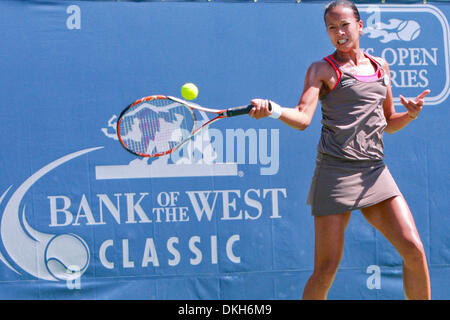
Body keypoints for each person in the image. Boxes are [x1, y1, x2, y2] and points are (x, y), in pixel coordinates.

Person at [249, 0, 431, 300]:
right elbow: (303, 118)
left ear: (360, 26)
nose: (339, 33)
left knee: (414, 249)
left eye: (344, 25)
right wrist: (273, 110)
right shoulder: (322, 69)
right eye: (332, 28)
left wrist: (410, 114)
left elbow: (388, 122)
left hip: (374, 171)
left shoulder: (380, 66)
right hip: (335, 173)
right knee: (326, 268)